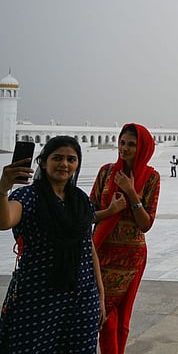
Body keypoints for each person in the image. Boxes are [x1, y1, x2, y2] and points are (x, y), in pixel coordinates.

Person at [0, 136, 105, 353]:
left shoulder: (80, 200)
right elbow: (5, 221)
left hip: (82, 298)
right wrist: (2, 189)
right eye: (57, 158)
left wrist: (100, 295)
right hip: (39, 297)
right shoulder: (29, 196)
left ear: (77, 164)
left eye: (71, 159)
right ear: (43, 162)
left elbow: (89, 248)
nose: (64, 164)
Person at [90, 123, 160, 354]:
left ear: (143, 148)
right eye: (122, 143)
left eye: (132, 144)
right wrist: (110, 211)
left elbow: (145, 223)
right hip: (101, 253)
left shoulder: (151, 177)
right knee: (104, 315)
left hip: (131, 258)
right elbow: (88, 214)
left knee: (122, 317)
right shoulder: (106, 172)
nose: (125, 148)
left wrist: (130, 192)